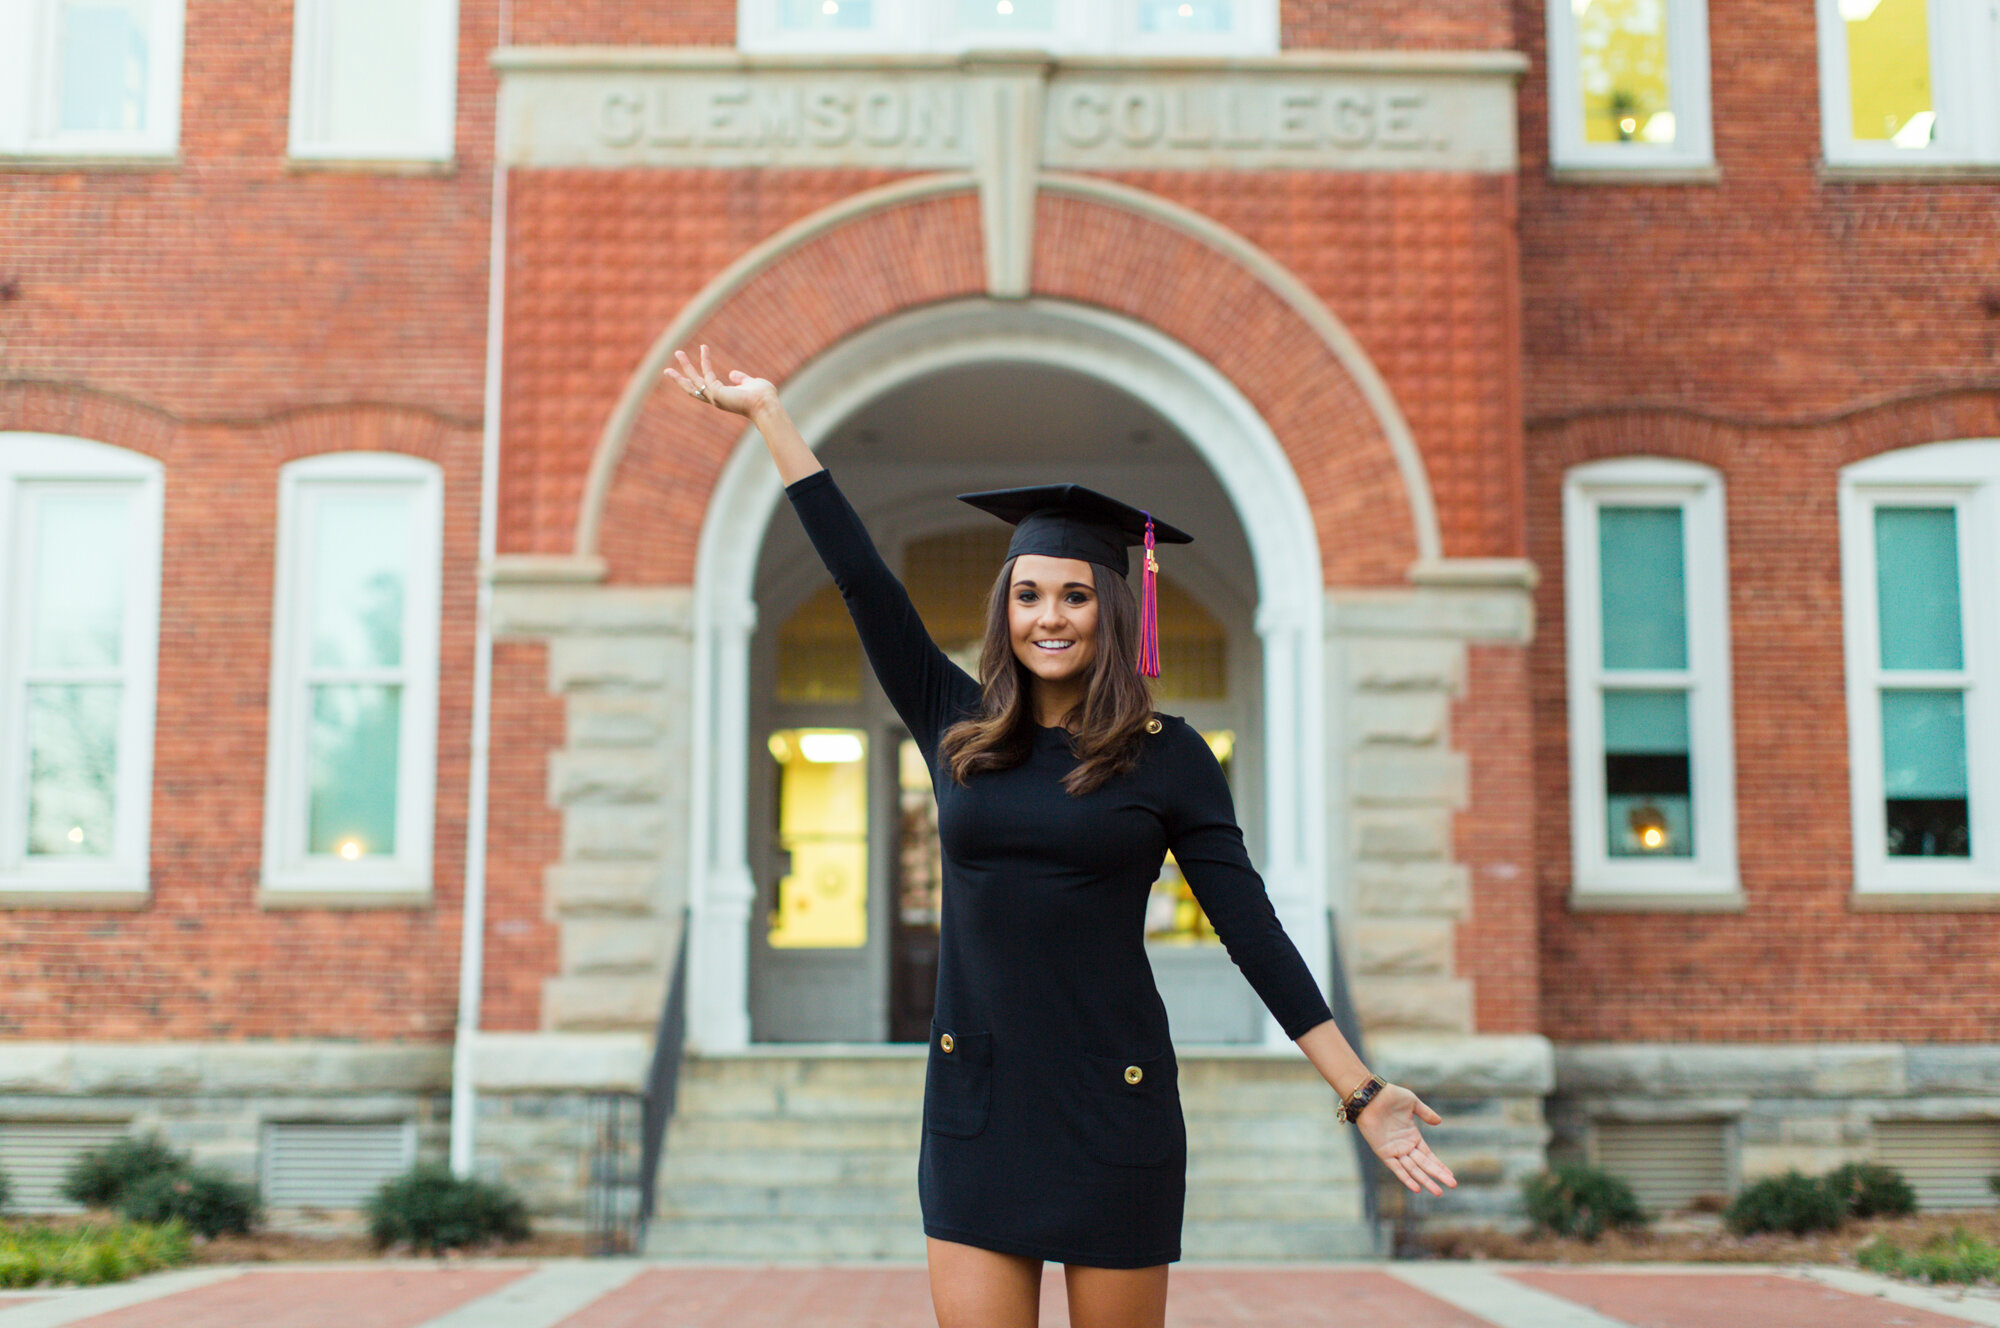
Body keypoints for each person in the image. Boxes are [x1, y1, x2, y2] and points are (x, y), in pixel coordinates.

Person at [665, 345, 1457, 1328]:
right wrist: (770, 418)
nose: (1049, 616)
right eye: (1028, 593)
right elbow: (865, 582)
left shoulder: (1167, 756)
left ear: (1111, 607)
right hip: (976, 1097)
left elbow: (1250, 928)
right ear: (1003, 605)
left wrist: (1359, 1089)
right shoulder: (951, 717)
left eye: (1074, 595)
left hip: (1110, 1099)